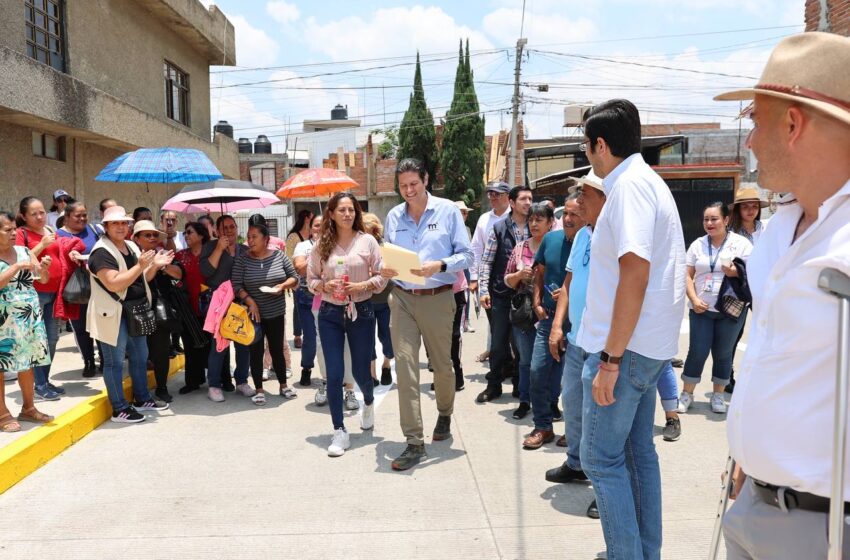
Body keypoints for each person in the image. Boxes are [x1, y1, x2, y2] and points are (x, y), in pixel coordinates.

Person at [714, 32, 850, 558]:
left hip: (825, 528)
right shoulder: (778, 231)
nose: (748, 140)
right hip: (755, 503)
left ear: (792, 124)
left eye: (753, 119)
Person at [576, 99, 686, 559]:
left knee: (600, 460)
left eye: (586, 145)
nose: (586, 154)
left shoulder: (629, 187)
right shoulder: (644, 181)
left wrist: (611, 359)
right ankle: (643, 553)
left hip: (627, 351)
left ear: (601, 145)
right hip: (644, 347)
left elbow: (634, 272)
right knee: (637, 454)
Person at [381, 158, 473, 471]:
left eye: (414, 185)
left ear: (426, 180)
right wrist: (386, 267)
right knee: (405, 369)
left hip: (438, 297)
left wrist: (440, 265)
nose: (408, 191)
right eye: (403, 186)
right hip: (403, 299)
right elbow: (387, 253)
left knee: (442, 367)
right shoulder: (393, 216)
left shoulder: (447, 211)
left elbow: (467, 254)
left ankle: (444, 413)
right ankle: (414, 442)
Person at [308, 193, 385, 456]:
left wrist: (362, 285)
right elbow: (311, 279)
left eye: (351, 210)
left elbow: (381, 276)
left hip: (361, 311)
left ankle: (369, 402)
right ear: (331, 213)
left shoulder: (368, 242)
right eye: (341, 210)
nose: (347, 214)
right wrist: (323, 285)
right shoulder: (322, 245)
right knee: (335, 372)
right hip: (330, 312)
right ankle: (339, 430)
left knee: (363, 371)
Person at [87, 206, 171, 423]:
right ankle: (119, 408)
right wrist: (141, 265)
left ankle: (142, 398)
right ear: (105, 226)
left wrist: (154, 267)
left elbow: (142, 278)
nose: (121, 227)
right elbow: (114, 283)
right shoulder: (100, 253)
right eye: (115, 223)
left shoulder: (131, 246)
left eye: (124, 223)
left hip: (134, 310)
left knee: (141, 356)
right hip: (112, 313)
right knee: (114, 362)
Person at [522, 194, 584, 449]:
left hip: (580, 321)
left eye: (573, 215)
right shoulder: (551, 239)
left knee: (575, 381)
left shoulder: (591, 243)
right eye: (564, 214)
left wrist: (571, 293)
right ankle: (543, 426)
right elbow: (540, 272)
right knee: (537, 371)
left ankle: (573, 431)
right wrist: (537, 302)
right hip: (548, 318)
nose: (567, 219)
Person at [678, 202, 752, 414]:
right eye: (706, 219)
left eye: (714, 219)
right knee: (697, 351)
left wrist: (735, 273)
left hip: (731, 309)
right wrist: (693, 298)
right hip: (701, 309)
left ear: (726, 220)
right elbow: (687, 275)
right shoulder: (698, 245)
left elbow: (754, 270)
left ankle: (718, 395)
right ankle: (687, 394)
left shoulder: (742, 244)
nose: (709, 223)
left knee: (723, 353)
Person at [16, 196, 85, 401]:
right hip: (34, 294)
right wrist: (41, 245)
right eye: (33, 214)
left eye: (42, 212)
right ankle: (40, 385)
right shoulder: (21, 234)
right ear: (23, 216)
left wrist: (71, 252)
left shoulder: (49, 230)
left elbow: (59, 253)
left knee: (52, 339)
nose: (39, 216)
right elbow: (20, 258)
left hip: (54, 293)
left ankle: (44, 380)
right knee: (38, 340)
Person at [232, 222, 299, 405]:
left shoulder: (279, 256)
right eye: (249, 237)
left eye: (254, 237)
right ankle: (259, 389)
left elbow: (294, 277)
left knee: (276, 349)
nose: (250, 240)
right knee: (255, 351)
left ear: (266, 239)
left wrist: (283, 286)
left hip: (275, 312)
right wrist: (250, 301)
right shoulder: (243, 260)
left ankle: (283, 385)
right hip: (253, 314)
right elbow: (236, 285)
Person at [477, 185, 532, 403]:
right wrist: (483, 290)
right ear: (512, 202)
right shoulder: (499, 228)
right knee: (498, 344)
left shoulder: (535, 226)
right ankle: (494, 386)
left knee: (522, 344)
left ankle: (520, 386)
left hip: (526, 296)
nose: (528, 203)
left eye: (530, 199)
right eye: (523, 199)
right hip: (500, 294)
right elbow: (486, 262)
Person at [293, 215, 357, 405]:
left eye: (324, 225)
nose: (320, 229)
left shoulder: (344, 244)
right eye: (316, 226)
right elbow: (301, 269)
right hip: (319, 304)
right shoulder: (305, 247)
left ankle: (349, 389)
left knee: (347, 347)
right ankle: (326, 382)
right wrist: (317, 254)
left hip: (346, 303)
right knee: (322, 347)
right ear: (311, 228)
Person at [0, 211, 54, 432]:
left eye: (15, 228)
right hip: (4, 320)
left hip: (28, 318)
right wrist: (15, 268)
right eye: (7, 229)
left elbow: (42, 279)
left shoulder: (23, 251)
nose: (14, 233)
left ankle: (29, 408)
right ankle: (2, 414)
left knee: (28, 362)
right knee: (1, 366)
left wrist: (43, 269)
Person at [503, 202, 554, 421]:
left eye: (539, 219)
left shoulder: (557, 245)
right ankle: (525, 400)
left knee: (551, 361)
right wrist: (518, 277)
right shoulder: (520, 248)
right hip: (524, 314)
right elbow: (506, 279)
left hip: (549, 311)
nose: (534, 223)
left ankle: (551, 402)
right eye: (531, 219)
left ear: (550, 223)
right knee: (525, 361)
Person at [200, 215, 250, 401]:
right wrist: (220, 249)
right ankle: (214, 385)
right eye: (224, 228)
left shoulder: (244, 249)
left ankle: (242, 380)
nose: (228, 231)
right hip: (219, 303)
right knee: (218, 345)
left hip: (240, 302)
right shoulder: (210, 247)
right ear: (217, 231)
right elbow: (206, 272)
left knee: (243, 342)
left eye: (231, 227)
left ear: (237, 228)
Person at [133, 220, 183, 403]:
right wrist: (154, 265)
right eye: (147, 235)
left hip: (160, 312)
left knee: (161, 351)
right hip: (137, 311)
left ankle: (162, 387)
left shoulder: (164, 254)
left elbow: (179, 273)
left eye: (155, 235)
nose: (153, 238)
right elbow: (144, 278)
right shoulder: (132, 257)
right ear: (137, 239)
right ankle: (141, 393)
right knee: (139, 353)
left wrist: (164, 265)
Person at [724, 186, 768, 394]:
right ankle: (726, 376)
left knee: (766, 332)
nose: (751, 211)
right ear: (738, 210)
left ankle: (763, 377)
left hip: (764, 287)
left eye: (755, 206)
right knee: (733, 335)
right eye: (746, 207)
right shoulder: (730, 234)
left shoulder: (767, 229)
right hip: (739, 288)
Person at [57, 201, 102, 377]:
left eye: (84, 214)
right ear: (67, 217)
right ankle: (89, 361)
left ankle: (105, 359)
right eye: (78, 215)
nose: (82, 218)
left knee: (101, 324)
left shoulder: (93, 230)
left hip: (99, 285)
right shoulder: (58, 235)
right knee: (81, 327)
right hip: (75, 288)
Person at [469, 181, 511, 360]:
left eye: (497, 194)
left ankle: (515, 363)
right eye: (490, 194)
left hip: (515, 277)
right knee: (496, 323)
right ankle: (502, 361)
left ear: (508, 196)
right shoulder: (484, 219)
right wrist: (474, 277)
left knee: (516, 322)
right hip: (491, 278)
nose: (493, 197)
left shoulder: (517, 216)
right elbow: (476, 249)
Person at [174, 222, 210, 395]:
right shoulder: (180, 256)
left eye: (190, 232)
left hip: (210, 306)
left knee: (213, 345)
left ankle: (219, 379)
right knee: (189, 345)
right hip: (188, 308)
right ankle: (192, 381)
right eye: (185, 233)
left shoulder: (211, 253)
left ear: (201, 235)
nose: (186, 236)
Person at [362, 212, 394, 387]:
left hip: (385, 299)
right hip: (365, 300)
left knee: (387, 337)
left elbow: (391, 273)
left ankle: (386, 364)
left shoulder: (386, 247)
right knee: (367, 339)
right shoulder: (357, 247)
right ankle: (372, 374)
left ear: (375, 230)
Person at [287, 209, 313, 350]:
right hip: (298, 279)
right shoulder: (293, 237)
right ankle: (297, 335)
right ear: (306, 219)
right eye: (312, 218)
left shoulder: (313, 237)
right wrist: (293, 279)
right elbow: (289, 258)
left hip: (314, 279)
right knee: (298, 308)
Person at [454, 200, 474, 333]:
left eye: (466, 212)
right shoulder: (451, 228)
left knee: (466, 292)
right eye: (462, 212)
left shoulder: (467, 229)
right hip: (453, 266)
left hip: (466, 265)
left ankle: (466, 321)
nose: (465, 215)